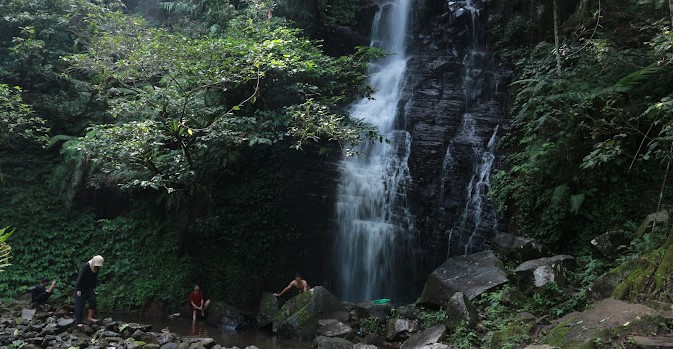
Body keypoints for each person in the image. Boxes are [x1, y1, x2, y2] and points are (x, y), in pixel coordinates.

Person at [74, 255, 104, 326]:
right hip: (81, 287)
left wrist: (94, 288)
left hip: (89, 287)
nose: (97, 267)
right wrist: (78, 289)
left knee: (93, 301)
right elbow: (80, 278)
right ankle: (79, 322)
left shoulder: (97, 268)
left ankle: (89, 317)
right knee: (79, 304)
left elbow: (94, 278)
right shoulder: (86, 266)